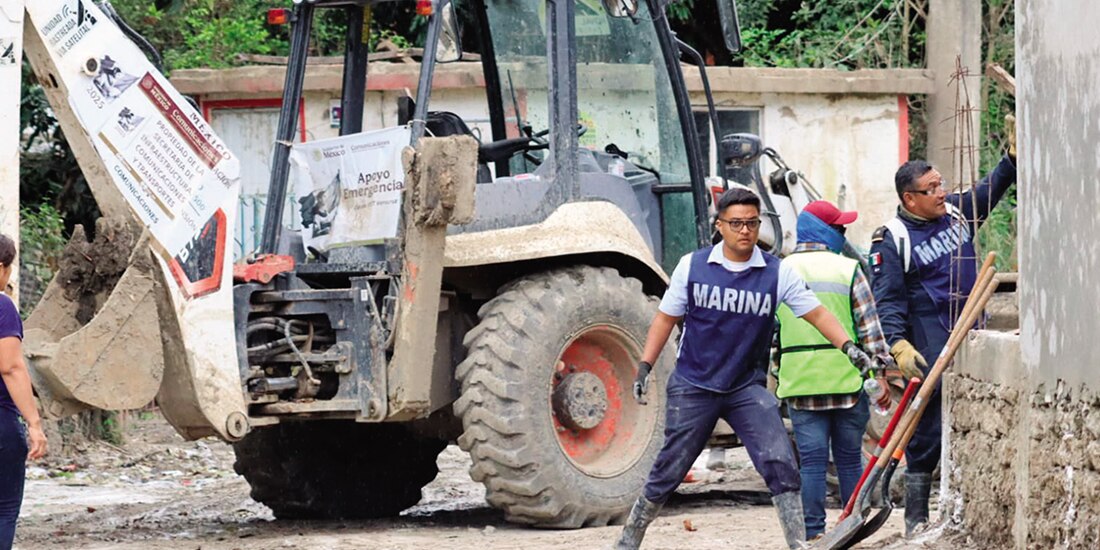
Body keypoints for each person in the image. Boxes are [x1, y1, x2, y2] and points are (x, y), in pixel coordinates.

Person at [614, 188, 875, 550]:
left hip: (745, 388)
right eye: (736, 223)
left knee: (780, 461)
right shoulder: (693, 266)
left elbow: (816, 314)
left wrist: (848, 347)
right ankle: (629, 538)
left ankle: (798, 543)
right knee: (669, 467)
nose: (745, 231)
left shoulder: (777, 273)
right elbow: (665, 318)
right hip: (695, 384)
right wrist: (644, 365)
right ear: (719, 225)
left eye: (752, 223)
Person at [869, 134, 1016, 535]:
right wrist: (898, 344)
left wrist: (1010, 159)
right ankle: (916, 515)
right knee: (929, 422)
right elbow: (888, 299)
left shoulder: (956, 213)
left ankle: (965, 503)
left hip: (970, 325)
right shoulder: (892, 239)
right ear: (909, 198)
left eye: (941, 185)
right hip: (929, 333)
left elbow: (989, 191)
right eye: (931, 189)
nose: (940, 193)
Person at [775, 201, 894, 541]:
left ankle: (813, 534)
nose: (843, 234)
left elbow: (772, 332)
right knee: (849, 459)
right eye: (839, 228)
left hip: (800, 383)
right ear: (825, 231)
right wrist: (879, 375)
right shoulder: (847, 269)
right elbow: (869, 328)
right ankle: (850, 528)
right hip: (847, 380)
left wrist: (778, 370)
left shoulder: (780, 270)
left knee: (811, 462)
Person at [0, 234, 48, 549]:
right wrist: (34, 423)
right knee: (3, 510)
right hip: (1, 426)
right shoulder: (2, 307)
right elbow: (10, 367)